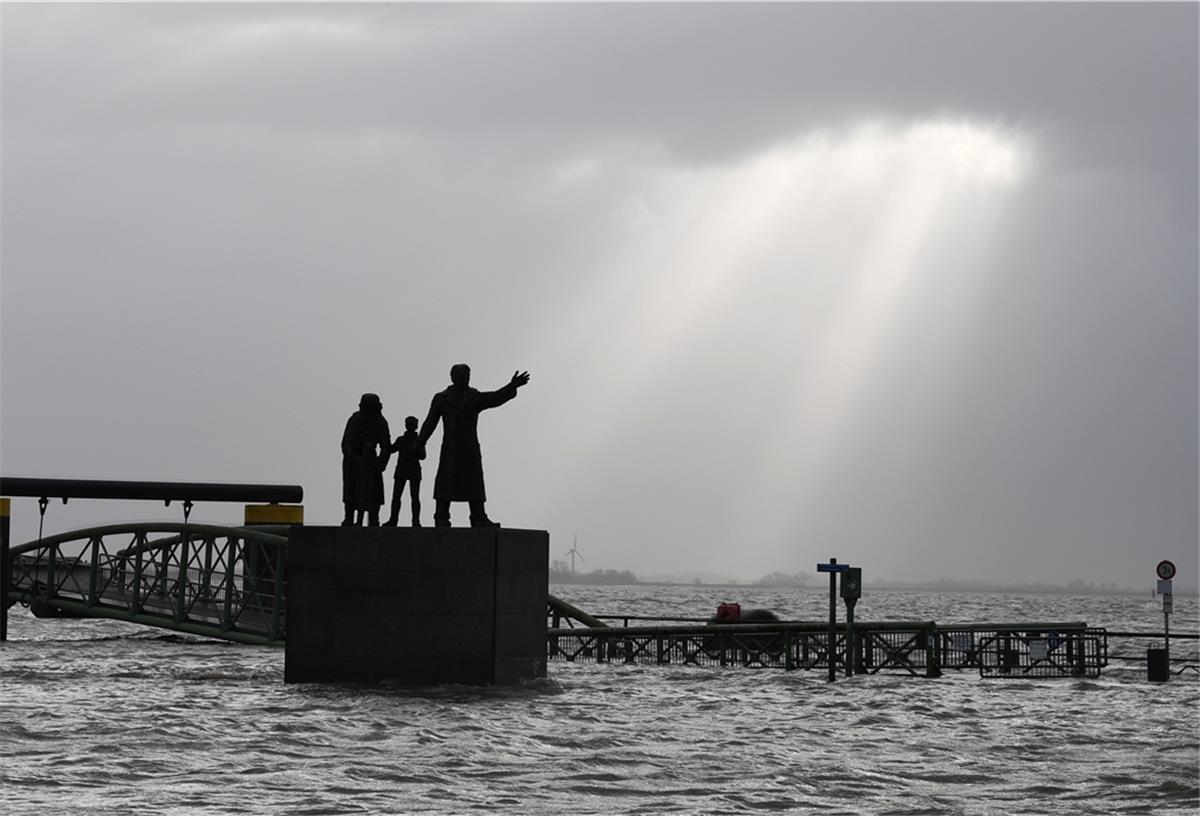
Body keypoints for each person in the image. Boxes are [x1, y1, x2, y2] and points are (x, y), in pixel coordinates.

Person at [418, 364, 530, 527]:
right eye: (463, 375)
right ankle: (441, 516)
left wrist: (512, 386)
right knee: (446, 481)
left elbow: (494, 398)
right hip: (451, 448)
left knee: (474, 482)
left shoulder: (474, 397)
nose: (467, 377)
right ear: (454, 377)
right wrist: (421, 442)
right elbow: (430, 422)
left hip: (469, 447)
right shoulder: (441, 398)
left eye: (468, 374)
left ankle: (478, 517)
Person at [340, 393, 391, 526]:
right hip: (352, 461)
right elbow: (346, 442)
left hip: (371, 462)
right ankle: (349, 517)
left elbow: (386, 446)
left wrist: (379, 464)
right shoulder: (355, 419)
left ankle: (374, 518)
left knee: (374, 491)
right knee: (350, 490)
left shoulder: (380, 421)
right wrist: (352, 457)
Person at [383, 415, 425, 527]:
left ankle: (416, 521)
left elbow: (423, 456)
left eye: (412, 424)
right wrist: (385, 440)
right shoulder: (401, 440)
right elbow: (391, 449)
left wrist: (417, 447)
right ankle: (393, 520)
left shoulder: (419, 440)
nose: (410, 426)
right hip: (401, 469)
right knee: (396, 496)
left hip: (414, 469)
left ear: (415, 426)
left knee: (414, 497)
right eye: (408, 424)